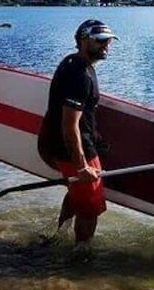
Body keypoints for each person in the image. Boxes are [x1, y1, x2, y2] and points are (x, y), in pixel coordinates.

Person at [38, 19, 119, 248]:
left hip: (67, 145)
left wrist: (94, 133)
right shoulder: (80, 75)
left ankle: (60, 235)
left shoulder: (70, 62)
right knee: (90, 207)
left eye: (109, 41)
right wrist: (82, 165)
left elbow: (77, 116)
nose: (106, 45)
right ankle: (81, 253)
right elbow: (69, 124)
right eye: (100, 41)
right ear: (83, 41)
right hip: (75, 149)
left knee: (77, 193)